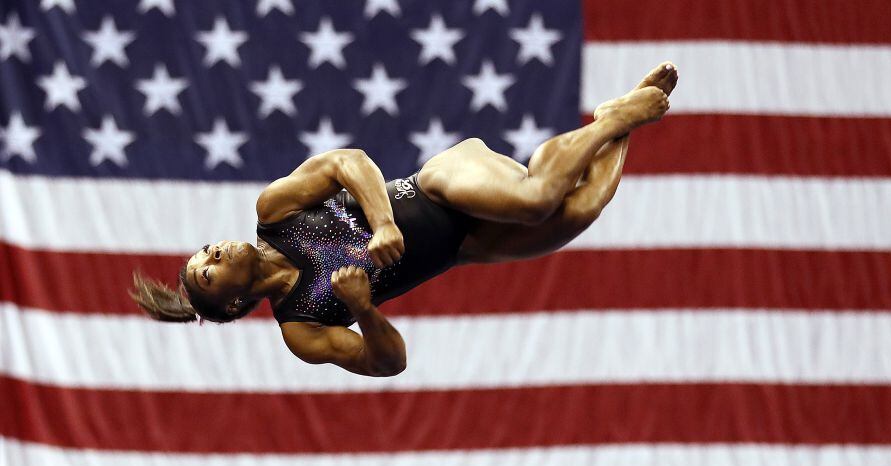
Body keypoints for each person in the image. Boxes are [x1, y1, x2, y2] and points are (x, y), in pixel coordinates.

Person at [131, 63, 678, 376]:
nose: (213, 254)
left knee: (538, 198)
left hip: (440, 182)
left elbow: (350, 161)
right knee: (584, 207)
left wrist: (384, 222)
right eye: (207, 271)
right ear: (232, 302)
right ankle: (618, 123)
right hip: (467, 244)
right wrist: (363, 309)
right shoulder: (301, 326)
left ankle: (615, 117)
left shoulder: (274, 212)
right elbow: (387, 363)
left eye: (204, 249)